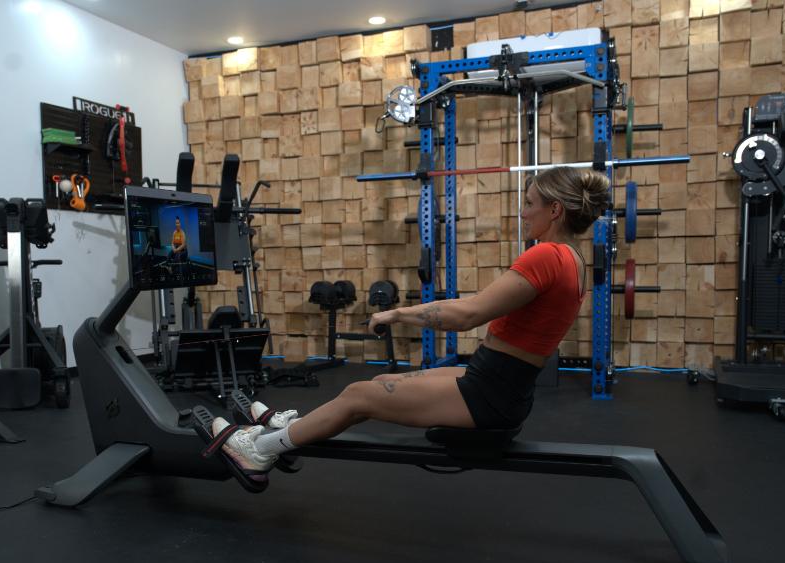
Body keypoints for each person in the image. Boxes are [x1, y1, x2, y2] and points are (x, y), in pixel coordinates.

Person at [212, 166, 610, 474]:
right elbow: (477, 302)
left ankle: (260, 450)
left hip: (491, 392)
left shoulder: (546, 255)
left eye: (529, 204)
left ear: (555, 210)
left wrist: (398, 312)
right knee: (380, 383)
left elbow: (468, 315)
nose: (523, 213)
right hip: (499, 382)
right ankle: (296, 425)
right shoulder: (573, 259)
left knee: (358, 396)